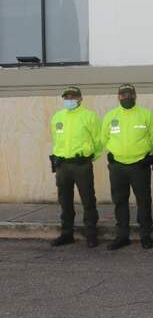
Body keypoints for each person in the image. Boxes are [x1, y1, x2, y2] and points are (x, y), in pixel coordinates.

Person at [100, 84, 153, 250]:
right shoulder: (110, 116)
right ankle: (122, 236)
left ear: (135, 96)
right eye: (123, 95)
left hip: (139, 166)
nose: (126, 97)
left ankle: (145, 236)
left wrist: (144, 152)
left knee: (143, 202)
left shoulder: (145, 115)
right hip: (117, 167)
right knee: (120, 201)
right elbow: (103, 139)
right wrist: (115, 151)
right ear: (118, 97)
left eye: (129, 94)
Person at [49, 86, 101, 248]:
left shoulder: (89, 116)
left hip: (81, 165)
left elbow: (98, 141)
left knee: (88, 200)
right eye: (66, 97)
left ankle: (91, 234)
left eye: (72, 97)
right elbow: (56, 140)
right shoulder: (57, 117)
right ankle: (66, 234)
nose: (69, 100)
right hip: (62, 165)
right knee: (64, 201)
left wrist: (89, 157)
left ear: (80, 98)